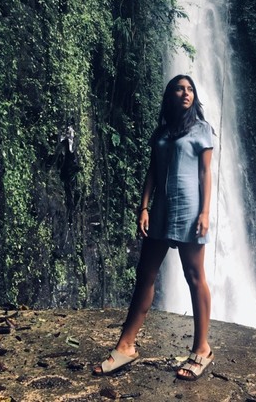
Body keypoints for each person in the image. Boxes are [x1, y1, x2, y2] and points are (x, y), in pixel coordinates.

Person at [93, 75, 214, 380]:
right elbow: (152, 171)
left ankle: (202, 348)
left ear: (193, 96)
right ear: (170, 95)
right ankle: (126, 345)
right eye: (179, 88)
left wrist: (204, 212)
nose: (185, 93)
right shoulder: (161, 133)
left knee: (195, 276)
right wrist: (144, 206)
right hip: (160, 210)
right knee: (145, 274)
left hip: (189, 211)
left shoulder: (202, 130)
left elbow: (205, 174)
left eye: (190, 89)